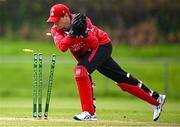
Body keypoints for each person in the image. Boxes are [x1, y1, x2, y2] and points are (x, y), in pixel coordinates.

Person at [47, 4, 166, 121]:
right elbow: (62, 47)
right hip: (87, 53)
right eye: (53, 20)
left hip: (101, 45)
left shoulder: (82, 21)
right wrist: (73, 34)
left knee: (80, 70)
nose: (55, 23)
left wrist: (84, 34)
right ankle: (156, 99)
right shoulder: (55, 30)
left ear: (66, 16)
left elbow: (94, 43)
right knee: (121, 78)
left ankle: (89, 113)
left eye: (57, 20)